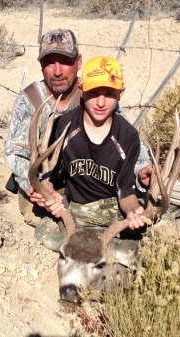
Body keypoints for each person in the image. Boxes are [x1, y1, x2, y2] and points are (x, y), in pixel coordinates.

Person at [4, 29, 152, 248]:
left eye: (65, 61)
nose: (57, 71)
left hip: (87, 179)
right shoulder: (29, 101)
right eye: (49, 62)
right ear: (41, 65)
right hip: (47, 184)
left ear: (78, 61)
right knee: (43, 222)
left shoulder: (95, 91)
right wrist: (34, 186)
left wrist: (142, 168)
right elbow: (15, 153)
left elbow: (125, 136)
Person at [35, 56, 150, 235]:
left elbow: (126, 191)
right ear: (81, 90)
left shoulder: (128, 136)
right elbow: (51, 177)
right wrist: (50, 196)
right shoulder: (63, 126)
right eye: (94, 93)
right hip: (76, 211)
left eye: (110, 94)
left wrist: (133, 211)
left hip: (113, 212)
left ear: (121, 93)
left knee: (157, 230)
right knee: (45, 233)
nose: (101, 102)